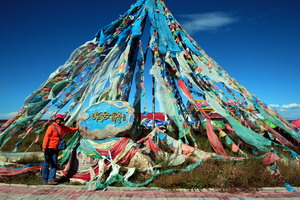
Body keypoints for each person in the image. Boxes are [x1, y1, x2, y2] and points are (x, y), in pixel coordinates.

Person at [42, 114, 79, 185]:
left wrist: (77, 128)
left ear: (62, 120)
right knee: (46, 164)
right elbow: (46, 137)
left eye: (60, 119)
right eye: (58, 119)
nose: (59, 120)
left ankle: (51, 179)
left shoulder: (62, 127)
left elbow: (70, 129)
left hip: (56, 148)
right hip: (49, 148)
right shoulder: (51, 127)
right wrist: (44, 147)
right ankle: (44, 179)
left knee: (53, 164)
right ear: (55, 120)